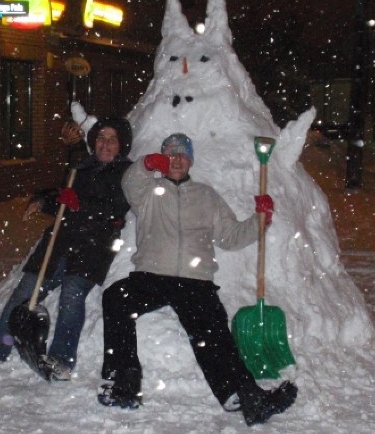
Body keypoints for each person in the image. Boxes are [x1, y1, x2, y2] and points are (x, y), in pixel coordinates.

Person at [98, 133, 298, 426]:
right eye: (170, 154)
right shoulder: (148, 192)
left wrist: (260, 220)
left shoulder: (207, 196)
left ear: (191, 160)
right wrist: (145, 164)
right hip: (152, 276)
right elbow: (130, 182)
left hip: (194, 280)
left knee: (214, 334)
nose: (176, 159)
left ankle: (245, 397)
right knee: (115, 298)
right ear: (163, 159)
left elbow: (230, 237)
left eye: (182, 155)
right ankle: (123, 385)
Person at [0, 117, 133, 381]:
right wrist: (45, 202)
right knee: (24, 293)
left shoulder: (127, 173)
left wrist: (79, 206)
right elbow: (63, 195)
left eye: (112, 139)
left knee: (72, 293)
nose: (106, 144)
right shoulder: (82, 168)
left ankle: (61, 360)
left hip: (94, 247)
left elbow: (115, 209)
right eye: (102, 138)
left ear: (121, 144)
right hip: (59, 241)